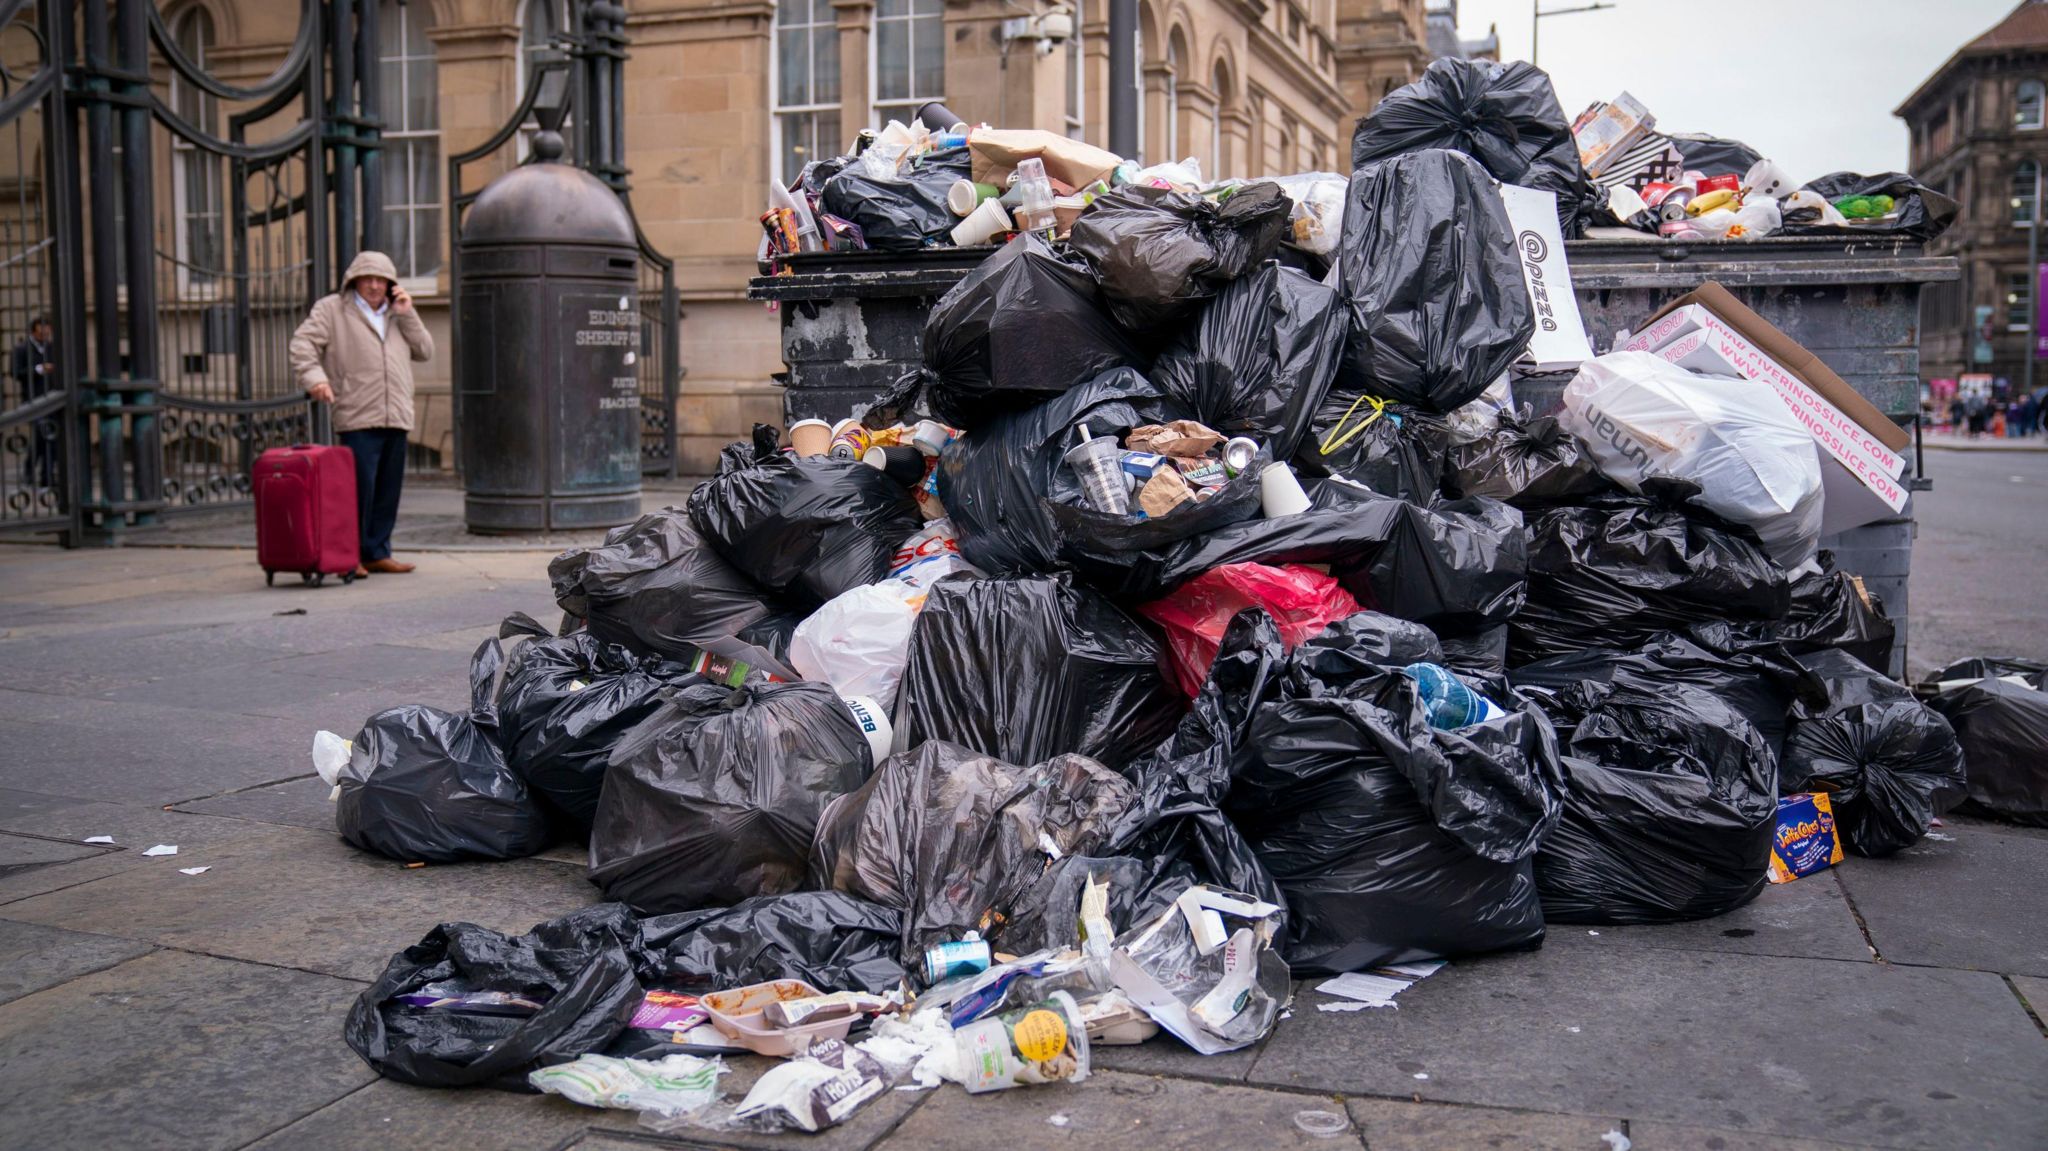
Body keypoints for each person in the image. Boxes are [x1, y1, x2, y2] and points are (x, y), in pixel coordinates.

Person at [288, 251, 433, 576]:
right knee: (358, 490)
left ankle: (376, 552)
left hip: (396, 412)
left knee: (387, 489)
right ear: (353, 281)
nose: (373, 285)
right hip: (357, 412)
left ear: (390, 284)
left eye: (380, 279)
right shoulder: (332, 309)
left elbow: (425, 350)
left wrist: (408, 314)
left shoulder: (398, 313)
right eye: (366, 278)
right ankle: (348, 554)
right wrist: (316, 379)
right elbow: (302, 344)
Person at [11, 315, 56, 488]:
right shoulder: (22, 349)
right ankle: (31, 470)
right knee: (41, 435)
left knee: (50, 438)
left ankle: (47, 476)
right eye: (42, 328)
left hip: (53, 399)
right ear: (34, 329)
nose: (45, 331)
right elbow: (15, 372)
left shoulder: (51, 348)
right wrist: (38, 369)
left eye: (48, 328)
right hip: (33, 400)